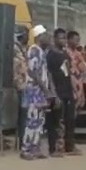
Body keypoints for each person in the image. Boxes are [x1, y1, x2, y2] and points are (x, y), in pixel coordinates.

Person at [21, 26, 54, 160]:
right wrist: (46, 90)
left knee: (39, 121)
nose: (48, 37)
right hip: (34, 91)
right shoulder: (34, 50)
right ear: (39, 36)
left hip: (40, 91)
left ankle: (34, 148)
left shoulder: (41, 51)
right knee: (32, 121)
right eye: (46, 35)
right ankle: (26, 149)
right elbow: (33, 72)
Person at [46, 28, 78, 156]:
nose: (63, 40)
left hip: (67, 91)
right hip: (57, 92)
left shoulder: (65, 55)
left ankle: (69, 146)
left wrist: (73, 90)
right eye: (60, 38)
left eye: (64, 38)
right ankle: (53, 148)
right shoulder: (50, 55)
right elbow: (49, 75)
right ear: (55, 39)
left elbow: (68, 73)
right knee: (55, 121)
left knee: (69, 119)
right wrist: (53, 93)